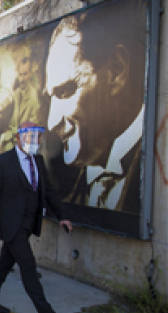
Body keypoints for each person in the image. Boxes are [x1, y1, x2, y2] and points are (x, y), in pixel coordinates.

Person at [44, 1, 145, 213]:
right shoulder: (71, 188)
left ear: (116, 72)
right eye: (51, 97)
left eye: (65, 92)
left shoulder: (150, 164)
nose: (52, 123)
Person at [0, 122, 73, 313]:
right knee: (29, 268)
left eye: (38, 137)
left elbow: (48, 191)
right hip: (10, 225)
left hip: (28, 224)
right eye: (30, 137)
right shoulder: (2, 161)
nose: (35, 141)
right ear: (19, 138)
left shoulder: (38, 160)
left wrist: (63, 216)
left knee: (5, 262)